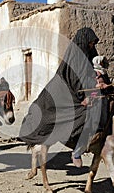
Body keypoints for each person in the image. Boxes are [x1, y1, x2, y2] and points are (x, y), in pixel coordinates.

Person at [18, 27, 101, 168]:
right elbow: (75, 79)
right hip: (64, 93)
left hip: (76, 92)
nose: (92, 46)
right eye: (91, 43)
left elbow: (91, 73)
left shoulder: (88, 55)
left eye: (93, 44)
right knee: (84, 113)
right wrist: (84, 95)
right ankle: (77, 149)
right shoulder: (76, 56)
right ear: (84, 42)